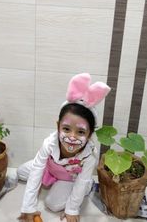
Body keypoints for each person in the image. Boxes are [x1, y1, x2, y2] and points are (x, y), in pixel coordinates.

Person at [17, 73, 110, 222]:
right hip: (50, 169)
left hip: (69, 178)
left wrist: (72, 209)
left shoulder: (89, 156)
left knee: (52, 204)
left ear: (90, 134)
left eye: (80, 132)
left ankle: (80, 187)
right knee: (21, 172)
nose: (72, 137)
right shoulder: (49, 143)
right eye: (66, 129)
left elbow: (81, 182)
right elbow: (36, 171)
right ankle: (51, 180)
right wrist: (28, 207)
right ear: (58, 126)